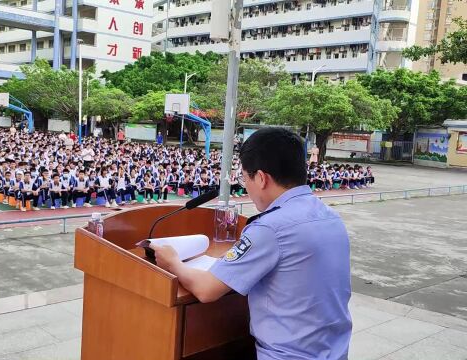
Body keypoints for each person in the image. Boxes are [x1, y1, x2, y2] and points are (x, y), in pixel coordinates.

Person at [150, 127, 352, 360]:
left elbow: (206, 290)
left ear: (261, 178)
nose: (245, 186)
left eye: (245, 178)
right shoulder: (330, 217)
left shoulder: (270, 227)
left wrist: (173, 262)